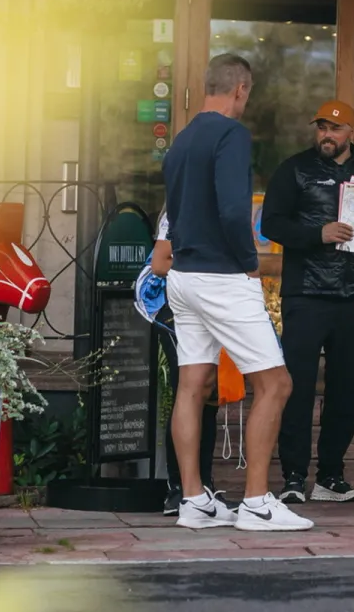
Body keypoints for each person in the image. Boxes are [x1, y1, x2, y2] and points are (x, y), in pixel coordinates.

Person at [162, 52, 311, 532]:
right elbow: (233, 211)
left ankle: (194, 501)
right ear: (241, 89)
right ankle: (257, 502)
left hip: (182, 275)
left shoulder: (181, 140)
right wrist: (251, 266)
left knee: (192, 385)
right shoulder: (232, 134)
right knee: (276, 383)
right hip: (222, 276)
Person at [260, 99, 354, 504]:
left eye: (335, 129)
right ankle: (292, 476)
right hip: (305, 294)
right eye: (321, 127)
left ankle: (331, 475)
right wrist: (316, 234)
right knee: (297, 389)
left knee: (349, 391)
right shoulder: (294, 169)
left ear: (352, 133)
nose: (327, 135)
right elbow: (271, 222)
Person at [133, 208, 224, 517]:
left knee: (209, 393)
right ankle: (180, 489)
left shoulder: (222, 208)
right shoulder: (178, 211)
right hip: (175, 309)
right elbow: (160, 264)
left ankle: (204, 484)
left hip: (210, 305)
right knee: (188, 390)